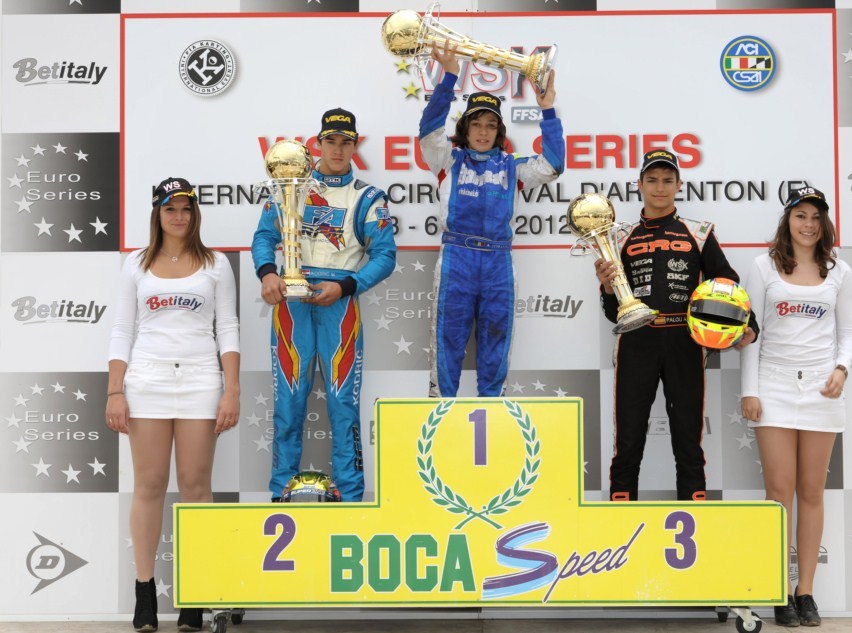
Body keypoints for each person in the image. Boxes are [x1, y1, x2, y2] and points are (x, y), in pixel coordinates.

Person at [106, 177, 240, 632]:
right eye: (170, 209)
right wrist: (115, 390)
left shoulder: (216, 263)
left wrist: (232, 388)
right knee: (149, 485)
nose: (179, 216)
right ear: (157, 213)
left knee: (196, 486)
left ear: (194, 213)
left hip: (201, 379)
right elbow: (122, 330)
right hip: (147, 380)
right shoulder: (136, 264)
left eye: (186, 208)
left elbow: (228, 329)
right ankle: (145, 595)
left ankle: (195, 594)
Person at [594, 149, 758, 502]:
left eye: (667, 180)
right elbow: (612, 312)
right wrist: (607, 287)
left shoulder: (698, 233)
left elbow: (727, 284)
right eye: (652, 180)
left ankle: (694, 515)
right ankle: (620, 520)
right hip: (636, 342)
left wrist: (748, 326)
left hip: (685, 343)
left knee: (688, 440)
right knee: (628, 441)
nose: (660, 187)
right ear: (639, 185)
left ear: (679, 185)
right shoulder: (619, 237)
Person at [252, 108, 396, 503]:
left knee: (342, 403)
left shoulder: (368, 197)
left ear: (355, 146)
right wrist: (267, 273)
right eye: (330, 141)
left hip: (340, 305)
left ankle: (350, 497)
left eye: (345, 142)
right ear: (317, 144)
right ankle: (280, 494)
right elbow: (264, 237)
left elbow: (385, 256)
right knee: (288, 403)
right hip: (291, 305)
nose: (337, 149)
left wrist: (347, 286)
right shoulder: (289, 187)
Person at [420, 42, 565, 397]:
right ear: (465, 128)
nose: (483, 132)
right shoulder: (448, 159)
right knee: (447, 341)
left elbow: (553, 165)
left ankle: (494, 410)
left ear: (499, 132)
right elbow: (429, 129)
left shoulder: (513, 167)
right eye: (476, 124)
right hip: (457, 258)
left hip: (498, 260)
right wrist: (449, 77)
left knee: (496, 344)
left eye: (490, 125)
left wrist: (547, 110)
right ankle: (441, 409)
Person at [740, 186, 852, 627]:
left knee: (811, 491)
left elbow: (848, 333)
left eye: (815, 217)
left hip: (823, 391)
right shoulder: (762, 266)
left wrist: (842, 369)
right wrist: (750, 390)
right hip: (773, 387)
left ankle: (805, 592)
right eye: (800, 215)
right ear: (787, 220)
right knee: (778, 491)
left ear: (824, 223)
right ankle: (777, 589)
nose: (808, 224)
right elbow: (752, 334)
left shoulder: (839, 270)